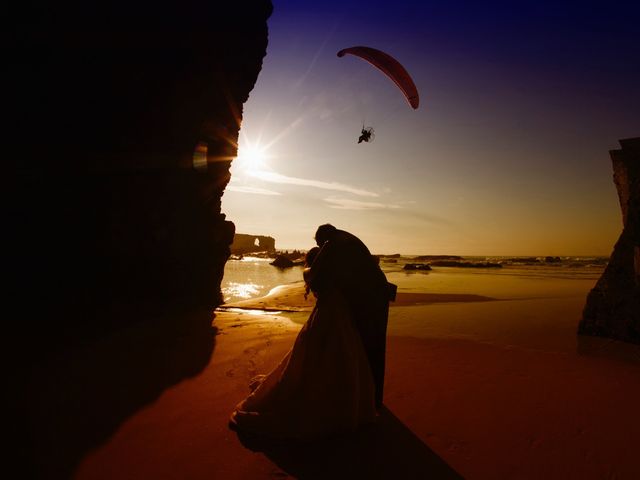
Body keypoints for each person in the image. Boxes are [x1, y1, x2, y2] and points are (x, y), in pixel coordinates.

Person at [229, 247, 376, 440]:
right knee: (340, 357)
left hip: (326, 314)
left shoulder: (319, 274)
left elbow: (312, 280)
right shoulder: (337, 278)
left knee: (311, 356)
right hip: (339, 313)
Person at [305, 224, 391, 408]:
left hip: (370, 299)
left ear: (322, 239)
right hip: (377, 295)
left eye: (320, 245)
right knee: (373, 348)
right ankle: (371, 396)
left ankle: (367, 398)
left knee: (368, 347)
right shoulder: (347, 239)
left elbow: (319, 279)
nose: (321, 248)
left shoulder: (334, 244)